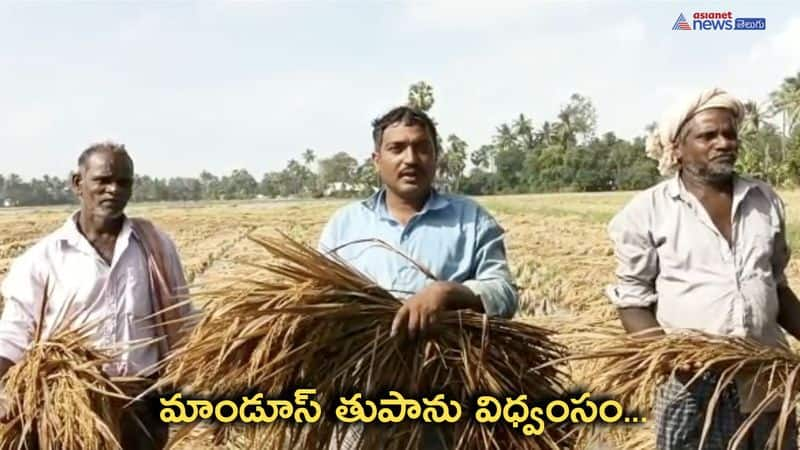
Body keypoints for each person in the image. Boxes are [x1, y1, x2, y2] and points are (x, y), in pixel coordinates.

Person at [606, 88, 799, 450]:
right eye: (708, 135)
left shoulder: (765, 201)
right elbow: (632, 302)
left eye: (730, 134)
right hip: (691, 385)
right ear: (676, 148)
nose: (724, 143)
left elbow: (776, 287)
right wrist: (670, 355)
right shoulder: (647, 212)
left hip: (764, 375)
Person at [319, 106, 518, 448]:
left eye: (421, 147)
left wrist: (446, 293)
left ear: (436, 156)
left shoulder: (470, 219)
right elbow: (316, 299)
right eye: (397, 148)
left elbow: (503, 293)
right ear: (376, 159)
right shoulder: (345, 225)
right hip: (363, 390)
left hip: (449, 389)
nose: (410, 158)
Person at [0, 142, 196, 450]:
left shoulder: (156, 247)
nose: (113, 190)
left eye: (123, 182)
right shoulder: (42, 259)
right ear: (78, 183)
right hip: (70, 408)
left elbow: (183, 322)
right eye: (103, 180)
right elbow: (14, 333)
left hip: (142, 405)